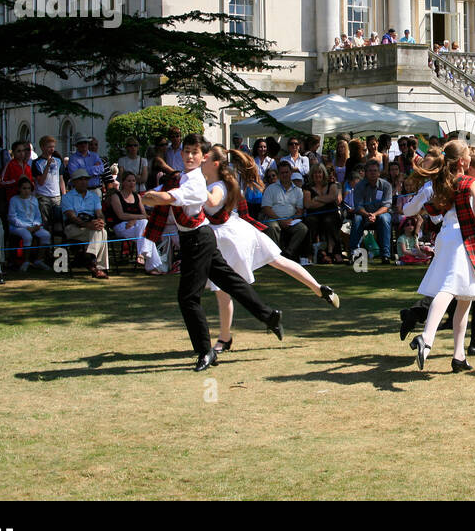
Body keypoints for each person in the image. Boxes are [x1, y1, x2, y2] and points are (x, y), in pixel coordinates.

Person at [141, 134, 285, 372]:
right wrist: (152, 197)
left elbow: (167, 197)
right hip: (197, 239)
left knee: (188, 297)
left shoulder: (197, 183)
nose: (189, 156)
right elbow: (162, 194)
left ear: (203, 157)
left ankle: (205, 351)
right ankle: (269, 316)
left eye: (194, 153)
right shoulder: (182, 177)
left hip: (198, 241)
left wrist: (150, 197)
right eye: (186, 151)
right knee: (231, 282)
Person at [201, 146, 338, 355]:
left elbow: (212, 201)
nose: (200, 160)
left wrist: (187, 193)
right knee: (277, 261)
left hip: (229, 236)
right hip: (235, 231)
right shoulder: (215, 180)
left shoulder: (217, 185)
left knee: (223, 290)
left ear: (215, 164)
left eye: (205, 158)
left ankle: (225, 337)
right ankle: (320, 288)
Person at [400, 140, 475, 372]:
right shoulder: (466, 181)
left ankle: (459, 356)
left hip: (447, 237)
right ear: (463, 161)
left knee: (465, 298)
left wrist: (423, 200)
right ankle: (427, 338)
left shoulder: (437, 184)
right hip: (464, 239)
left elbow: (407, 211)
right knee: (451, 289)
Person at [61, 168, 110, 279]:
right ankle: (98, 265)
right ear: (74, 182)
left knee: (102, 230)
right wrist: (88, 225)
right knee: (102, 233)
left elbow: (99, 213)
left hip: (91, 227)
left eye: (86, 179)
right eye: (80, 179)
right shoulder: (67, 197)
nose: (84, 182)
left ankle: (91, 261)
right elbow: (72, 217)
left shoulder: (94, 196)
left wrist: (101, 222)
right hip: (73, 227)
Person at [261, 162, 309, 262]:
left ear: (291, 173)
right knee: (272, 226)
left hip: (291, 221)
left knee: (302, 228)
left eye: (287, 172)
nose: (285, 175)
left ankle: (288, 254)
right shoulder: (271, 188)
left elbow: (300, 211)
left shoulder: (298, 191)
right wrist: (281, 220)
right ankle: (276, 256)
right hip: (274, 219)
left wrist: (291, 220)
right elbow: (266, 208)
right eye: (282, 173)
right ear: (279, 174)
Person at [350, 160, 393, 263]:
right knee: (357, 219)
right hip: (364, 214)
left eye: (375, 171)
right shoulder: (359, 186)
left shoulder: (386, 185)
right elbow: (358, 206)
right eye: (370, 171)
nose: (373, 173)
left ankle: (385, 255)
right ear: (365, 172)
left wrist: (375, 214)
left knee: (384, 218)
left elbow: (387, 206)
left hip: (381, 214)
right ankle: (354, 254)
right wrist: (367, 214)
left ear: (379, 172)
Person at [8, 177, 52, 270]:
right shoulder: (14, 200)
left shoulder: (34, 200)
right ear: (19, 189)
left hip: (32, 226)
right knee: (27, 236)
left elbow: (37, 215)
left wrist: (36, 225)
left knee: (46, 235)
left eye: (28, 188)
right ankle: (26, 261)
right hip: (17, 227)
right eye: (24, 188)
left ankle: (39, 260)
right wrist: (26, 226)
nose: (27, 191)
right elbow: (12, 218)